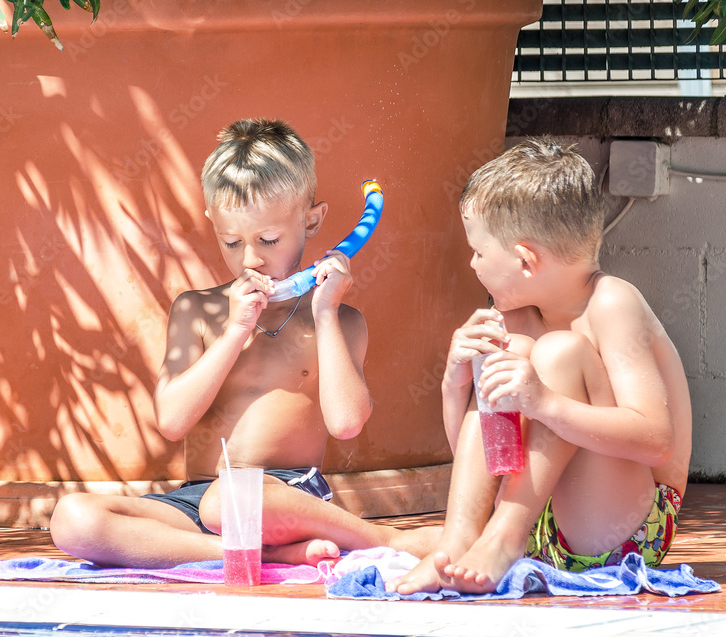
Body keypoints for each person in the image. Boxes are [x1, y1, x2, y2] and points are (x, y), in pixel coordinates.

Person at [50, 118, 437, 568]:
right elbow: (173, 422)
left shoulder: (337, 318)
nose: (250, 258)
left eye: (268, 240)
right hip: (197, 501)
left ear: (311, 222)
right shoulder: (195, 309)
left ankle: (379, 538)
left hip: (286, 497)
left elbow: (347, 422)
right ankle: (260, 556)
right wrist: (235, 331)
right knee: (74, 519)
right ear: (213, 222)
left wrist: (326, 312)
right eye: (231, 241)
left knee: (227, 499)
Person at [392, 137, 692, 595]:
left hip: (624, 527)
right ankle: (458, 544)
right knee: (504, 360)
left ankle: (503, 539)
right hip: (545, 527)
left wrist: (545, 402)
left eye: (478, 252)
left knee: (559, 353)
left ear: (525, 260)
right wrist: (456, 382)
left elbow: (657, 443)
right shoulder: (514, 319)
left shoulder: (611, 303)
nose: (472, 265)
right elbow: (491, 461)